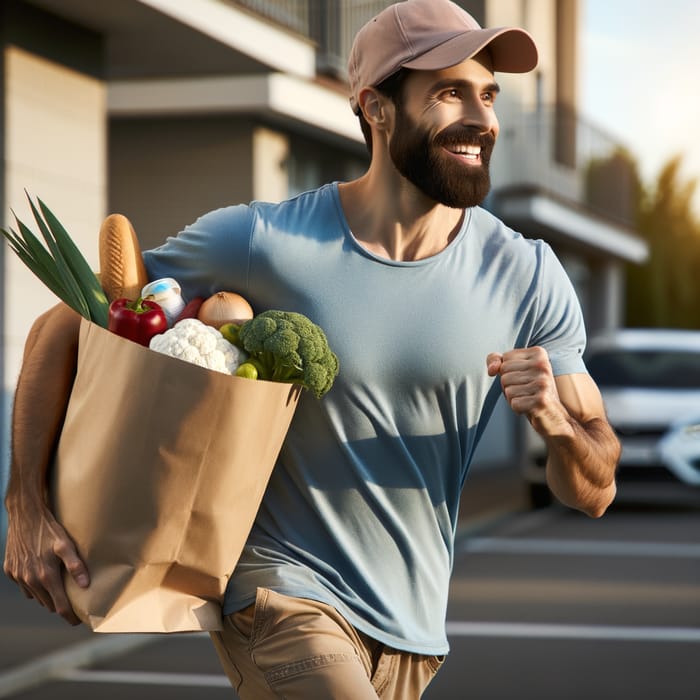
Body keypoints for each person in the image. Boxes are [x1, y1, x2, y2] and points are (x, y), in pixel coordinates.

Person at [3, 0, 620, 697]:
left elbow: (594, 491)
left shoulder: (528, 275)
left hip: (412, 630)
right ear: (376, 108)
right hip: (278, 592)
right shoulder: (265, 241)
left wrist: (561, 429)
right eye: (449, 93)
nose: (481, 118)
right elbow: (67, 319)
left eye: (487, 94)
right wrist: (24, 504)